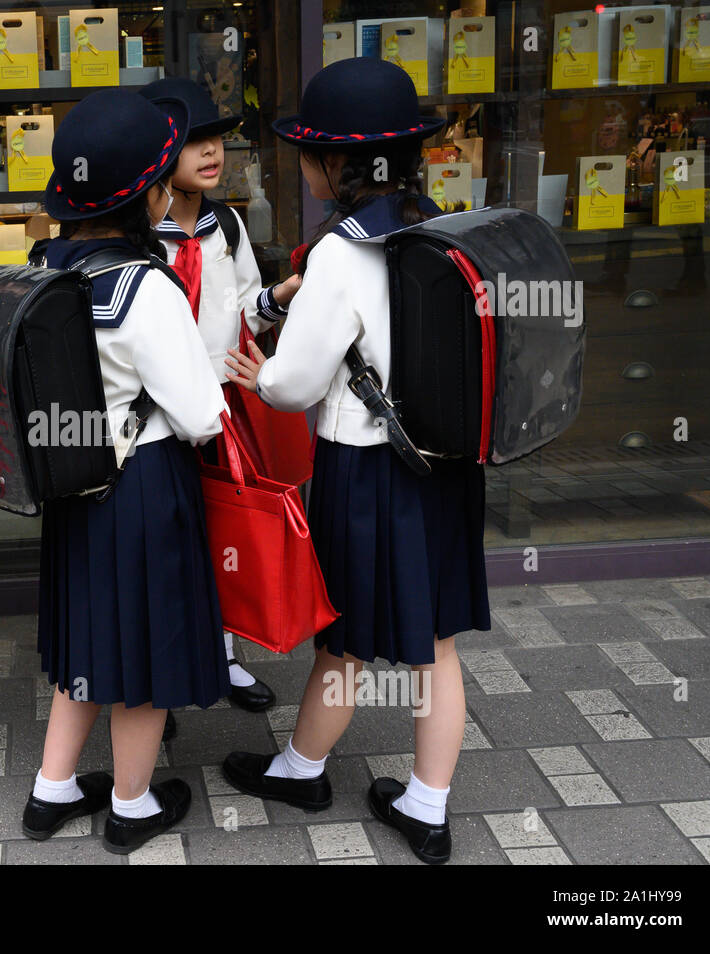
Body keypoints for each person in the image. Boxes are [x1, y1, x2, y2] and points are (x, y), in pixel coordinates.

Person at [220, 58, 491, 864]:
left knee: (343, 636)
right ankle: (428, 806)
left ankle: (301, 769)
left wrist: (257, 377)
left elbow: (296, 382)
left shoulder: (342, 252)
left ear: (331, 164)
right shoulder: (437, 223)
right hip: (443, 464)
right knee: (435, 642)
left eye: (308, 151)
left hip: (368, 472)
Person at [20, 89, 231, 854]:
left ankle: (52, 790)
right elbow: (203, 415)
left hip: (74, 490)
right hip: (142, 490)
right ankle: (133, 806)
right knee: (142, 653)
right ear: (149, 194)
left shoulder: (46, 269)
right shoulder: (144, 287)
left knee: (85, 646)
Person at [140, 76, 282, 715]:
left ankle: (225, 654)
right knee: (173, 539)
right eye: (194, 141)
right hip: (161, 416)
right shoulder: (143, 237)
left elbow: (246, 303)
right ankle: (162, 677)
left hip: (224, 406)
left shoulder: (226, 224)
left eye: (217, 138)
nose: (211, 151)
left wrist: (276, 300)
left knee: (227, 524)